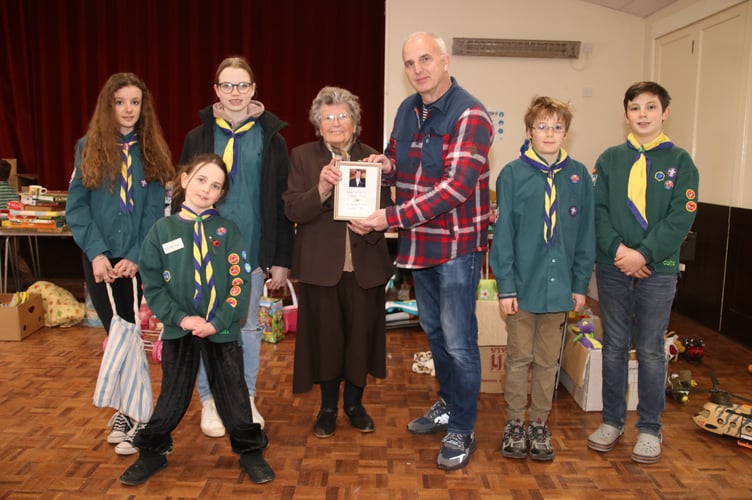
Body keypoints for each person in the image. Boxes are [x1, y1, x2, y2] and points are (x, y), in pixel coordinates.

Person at [355, 32, 494, 470]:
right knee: (434, 335)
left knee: (459, 342)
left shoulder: (471, 114)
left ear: (445, 61)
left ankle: (463, 428)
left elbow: (455, 187)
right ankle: (448, 403)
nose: (418, 69)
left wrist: (389, 217)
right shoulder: (405, 109)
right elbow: (399, 157)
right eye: (410, 62)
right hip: (420, 245)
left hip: (455, 246)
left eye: (426, 59)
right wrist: (385, 165)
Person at [120, 154, 274, 486]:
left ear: (221, 194)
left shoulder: (227, 230)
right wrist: (182, 318)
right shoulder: (162, 230)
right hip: (180, 329)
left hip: (221, 330)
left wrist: (219, 322)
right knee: (172, 398)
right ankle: (152, 453)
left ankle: (250, 452)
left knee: (234, 396)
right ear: (185, 179)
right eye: (202, 179)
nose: (207, 189)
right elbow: (154, 284)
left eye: (216, 185)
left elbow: (239, 281)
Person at [180, 56, 294, 437]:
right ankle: (210, 400)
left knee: (246, 330)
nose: (234, 93)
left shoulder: (272, 139)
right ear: (216, 91)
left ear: (253, 90)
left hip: (252, 254)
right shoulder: (197, 137)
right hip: (201, 254)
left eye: (242, 85)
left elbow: (282, 201)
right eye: (227, 86)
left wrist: (280, 258)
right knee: (205, 328)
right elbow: (182, 198)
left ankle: (244, 397)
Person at [587, 81, 699, 464]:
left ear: (665, 113)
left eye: (651, 108)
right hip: (613, 267)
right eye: (635, 108)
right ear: (626, 115)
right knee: (614, 347)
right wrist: (619, 251)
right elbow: (597, 212)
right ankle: (612, 421)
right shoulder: (609, 159)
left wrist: (644, 254)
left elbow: (680, 218)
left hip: (659, 269)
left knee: (651, 350)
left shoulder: (681, 161)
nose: (643, 115)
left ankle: (650, 427)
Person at [66, 72, 174, 455]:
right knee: (116, 333)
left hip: (134, 260)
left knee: (129, 333)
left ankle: (140, 416)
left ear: (143, 108)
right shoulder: (88, 148)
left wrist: (135, 257)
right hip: (98, 259)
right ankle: (128, 410)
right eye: (120, 102)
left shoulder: (152, 152)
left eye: (135, 102)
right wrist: (96, 253)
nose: (128, 109)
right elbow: (76, 207)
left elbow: (154, 215)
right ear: (107, 106)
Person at [283, 86, 393, 438]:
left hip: (366, 265)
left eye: (342, 115)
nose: (335, 122)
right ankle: (328, 408)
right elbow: (292, 209)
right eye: (327, 117)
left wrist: (375, 223)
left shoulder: (374, 158)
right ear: (317, 124)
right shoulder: (301, 157)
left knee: (361, 339)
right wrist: (321, 191)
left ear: (356, 122)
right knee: (327, 340)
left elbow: (391, 212)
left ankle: (355, 406)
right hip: (321, 267)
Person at [489, 96, 595, 462]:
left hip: (560, 290)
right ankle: (514, 423)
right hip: (523, 287)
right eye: (542, 127)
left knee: (549, 361)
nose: (549, 133)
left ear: (566, 132)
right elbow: (502, 237)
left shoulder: (579, 175)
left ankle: (539, 422)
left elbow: (585, 236)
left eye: (557, 127)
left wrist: (580, 285)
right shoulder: (512, 175)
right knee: (519, 358)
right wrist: (505, 286)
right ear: (529, 131)